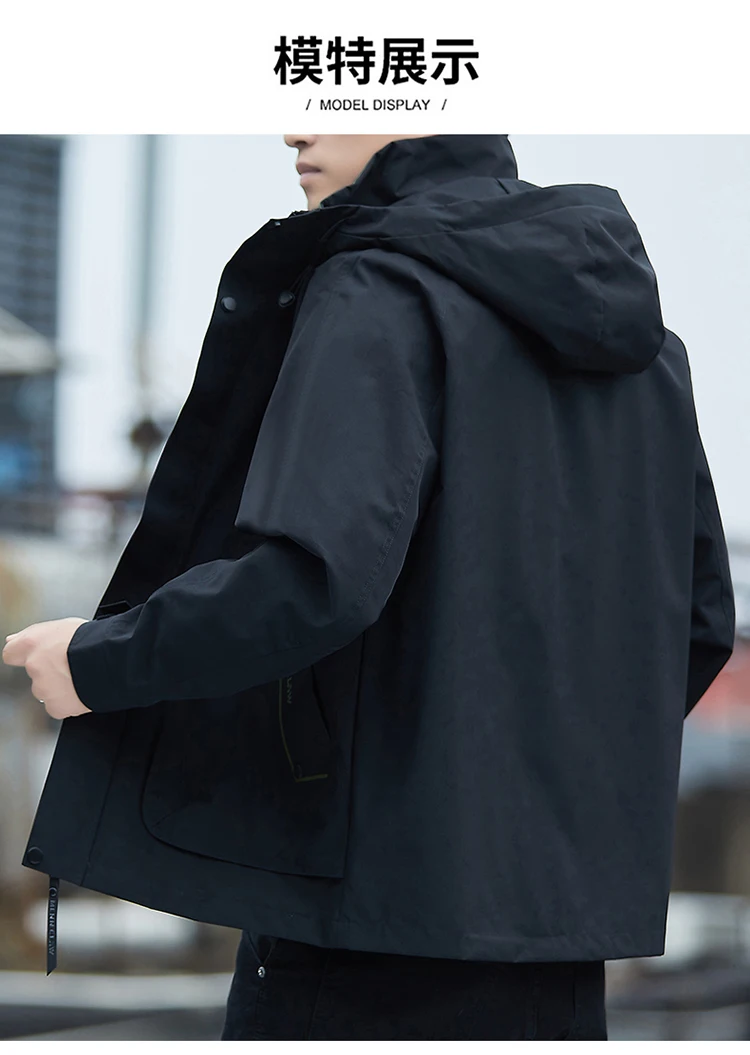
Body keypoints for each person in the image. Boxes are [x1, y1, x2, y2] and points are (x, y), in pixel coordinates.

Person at [3, 134, 734, 1040]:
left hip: (363, 929)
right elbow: (700, 621)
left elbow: (310, 579)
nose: (297, 128)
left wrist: (94, 661)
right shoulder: (649, 353)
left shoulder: (380, 289)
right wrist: (535, 779)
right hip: (556, 951)